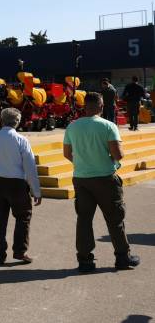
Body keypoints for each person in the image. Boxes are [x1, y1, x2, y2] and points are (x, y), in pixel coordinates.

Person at [63, 92, 140, 272]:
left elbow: (67, 153)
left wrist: (82, 163)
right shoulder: (108, 126)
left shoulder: (72, 127)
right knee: (115, 219)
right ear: (100, 106)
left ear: (85, 106)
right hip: (105, 179)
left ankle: (85, 261)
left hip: (81, 179)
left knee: (84, 220)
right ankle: (122, 257)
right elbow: (118, 154)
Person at [0, 107, 42, 265]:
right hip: (17, 184)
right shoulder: (22, 140)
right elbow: (30, 167)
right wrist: (36, 191)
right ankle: (20, 252)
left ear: (2, 121)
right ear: (17, 123)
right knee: (23, 217)